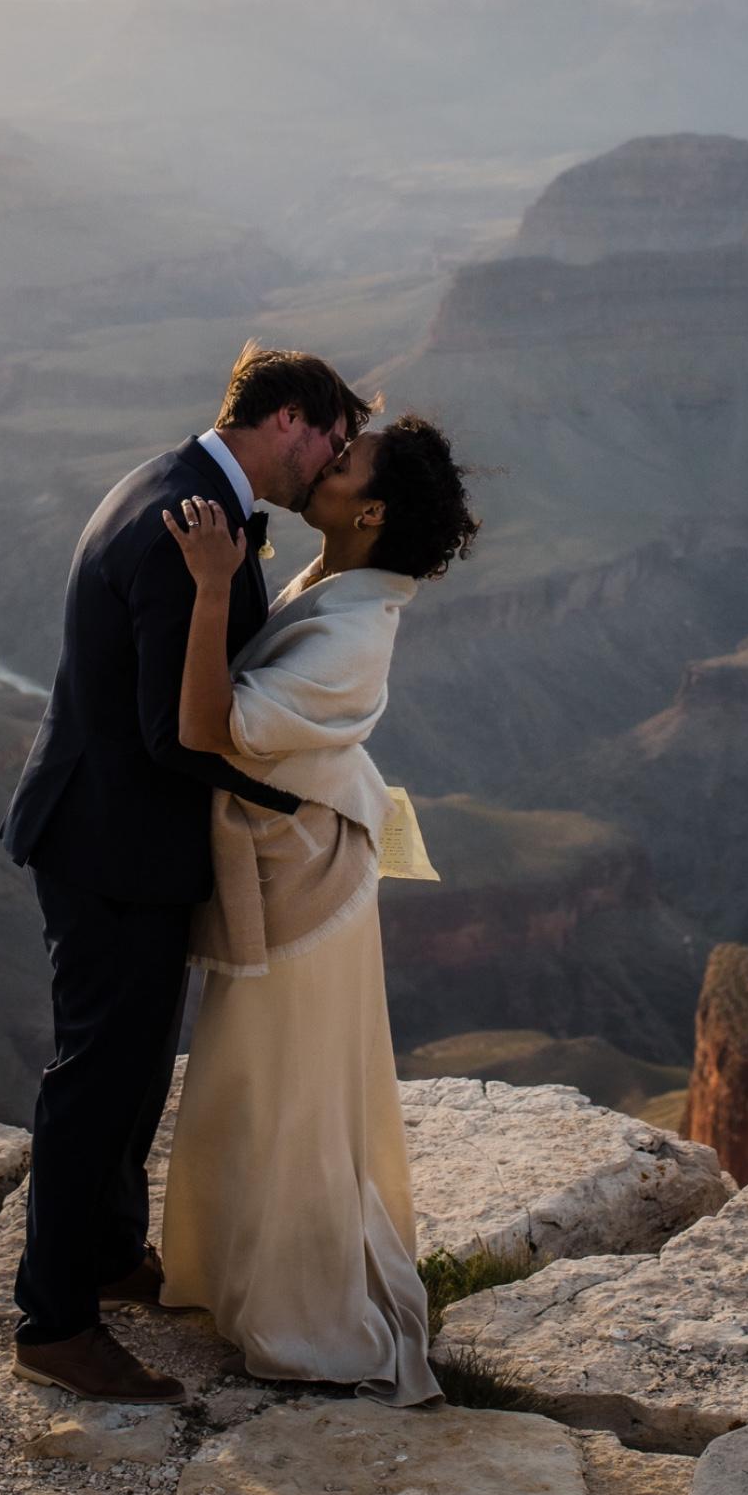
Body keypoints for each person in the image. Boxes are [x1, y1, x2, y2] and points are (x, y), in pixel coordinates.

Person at [1, 343, 371, 1404]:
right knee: (97, 1078)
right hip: (109, 846)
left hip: (119, 840)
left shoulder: (187, 486)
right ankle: (54, 1322)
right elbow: (176, 735)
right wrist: (305, 796)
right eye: (333, 443)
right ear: (291, 421)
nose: (332, 468)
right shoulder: (188, 528)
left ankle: (111, 1255)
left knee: (127, 1071)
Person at [157, 414, 481, 1404]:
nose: (323, 467)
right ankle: (236, 1275)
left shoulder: (349, 637)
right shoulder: (338, 586)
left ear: (369, 512)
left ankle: (306, 1318)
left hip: (307, 894)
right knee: (259, 1086)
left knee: (288, 1097)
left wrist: (213, 585)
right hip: (307, 867)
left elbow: (210, 727)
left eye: (343, 466)